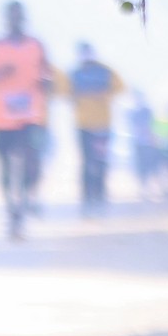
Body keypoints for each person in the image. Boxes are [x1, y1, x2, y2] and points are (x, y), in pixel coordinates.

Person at [0, 2, 53, 240]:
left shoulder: (36, 45)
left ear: (24, 18)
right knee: (6, 167)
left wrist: (46, 82)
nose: (15, 20)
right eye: (12, 16)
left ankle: (27, 199)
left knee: (32, 162)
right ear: (5, 19)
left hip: (31, 115)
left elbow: (49, 73)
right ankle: (12, 209)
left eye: (19, 16)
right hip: (2, 117)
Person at [67, 41, 125, 215]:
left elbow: (121, 87)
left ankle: (100, 193)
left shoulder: (105, 71)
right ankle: (86, 195)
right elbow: (65, 92)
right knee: (86, 161)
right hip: (83, 124)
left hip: (102, 125)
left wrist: (103, 94)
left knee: (100, 160)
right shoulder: (74, 73)